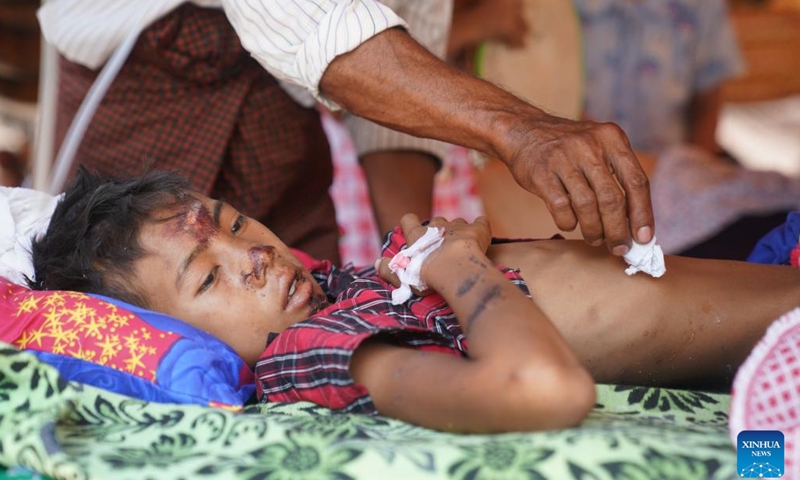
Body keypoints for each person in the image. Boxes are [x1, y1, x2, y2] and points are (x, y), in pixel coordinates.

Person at [30, 169, 800, 432]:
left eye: (233, 223)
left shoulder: (326, 296)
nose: (254, 254)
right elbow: (540, 387)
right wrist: (463, 268)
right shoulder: (312, 355)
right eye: (207, 277)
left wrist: (428, 250)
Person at [38, 0, 655, 265]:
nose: (254, 262)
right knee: (150, 328)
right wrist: (518, 129)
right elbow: (306, 21)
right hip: (144, 94)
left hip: (282, 123)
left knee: (306, 304)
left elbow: (406, 36)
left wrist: (412, 251)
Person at [574, 0, 744, 156]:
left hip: (664, 174)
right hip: (579, 170)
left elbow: (707, 105)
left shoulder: (702, 5)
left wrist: (694, 177)